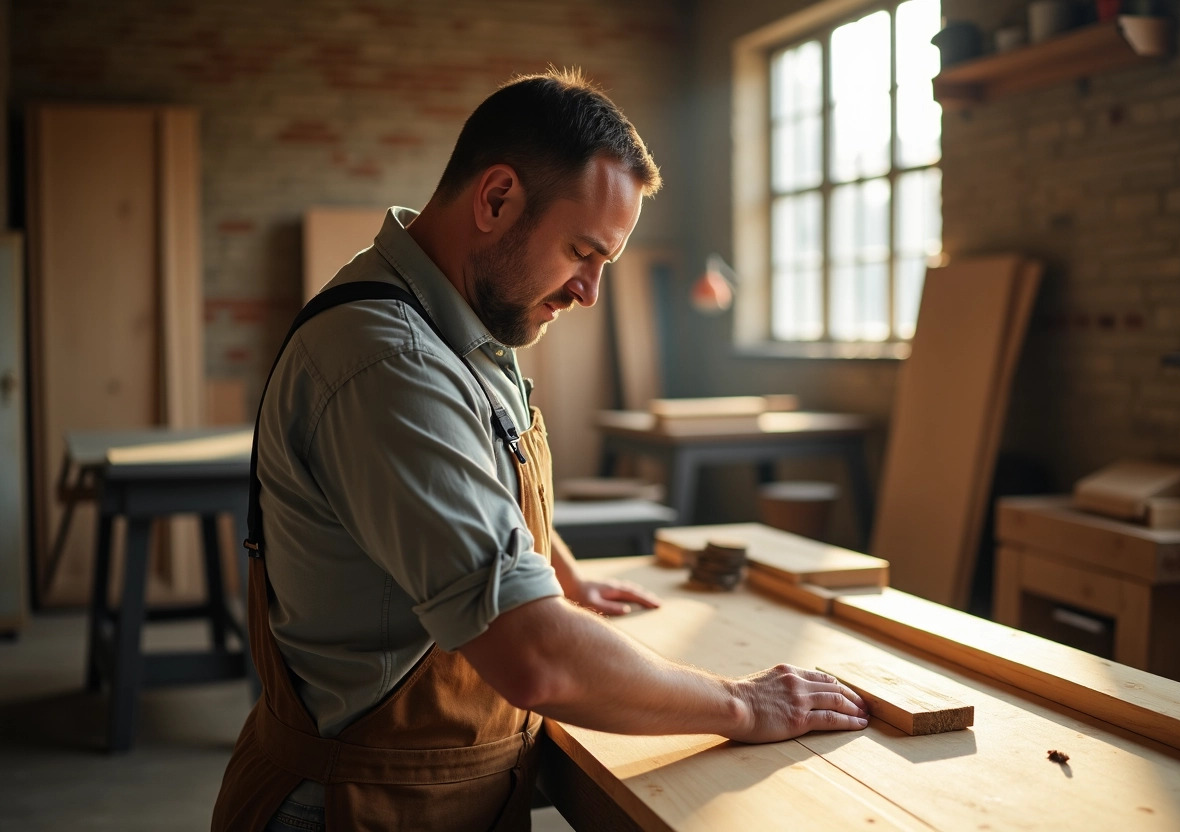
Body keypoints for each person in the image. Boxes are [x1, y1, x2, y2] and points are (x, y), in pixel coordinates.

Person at [212, 67, 868, 832]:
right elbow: (535, 658)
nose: (589, 291)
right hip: (360, 806)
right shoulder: (391, 362)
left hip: (441, 792)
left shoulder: (462, 321)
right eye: (582, 251)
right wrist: (743, 704)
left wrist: (561, 577)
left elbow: (479, 483)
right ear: (496, 200)